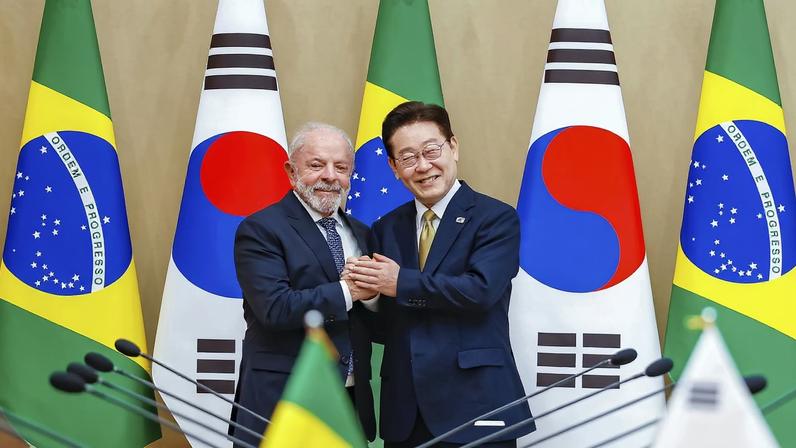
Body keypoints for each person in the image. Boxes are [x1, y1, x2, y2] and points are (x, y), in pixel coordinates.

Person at [346, 102, 533, 447]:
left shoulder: (495, 218)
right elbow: (385, 328)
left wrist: (397, 282)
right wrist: (371, 297)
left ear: (454, 147)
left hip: (476, 404)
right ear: (394, 167)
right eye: (407, 157)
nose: (423, 165)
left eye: (432, 150)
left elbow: (480, 292)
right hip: (406, 411)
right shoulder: (385, 228)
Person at [231, 122, 376, 446]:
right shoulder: (260, 230)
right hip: (285, 401)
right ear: (291, 171)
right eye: (316, 165)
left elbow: (371, 320)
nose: (329, 175)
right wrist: (349, 291)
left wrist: (375, 296)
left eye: (340, 167)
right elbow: (275, 308)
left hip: (350, 399)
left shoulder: (363, 233)